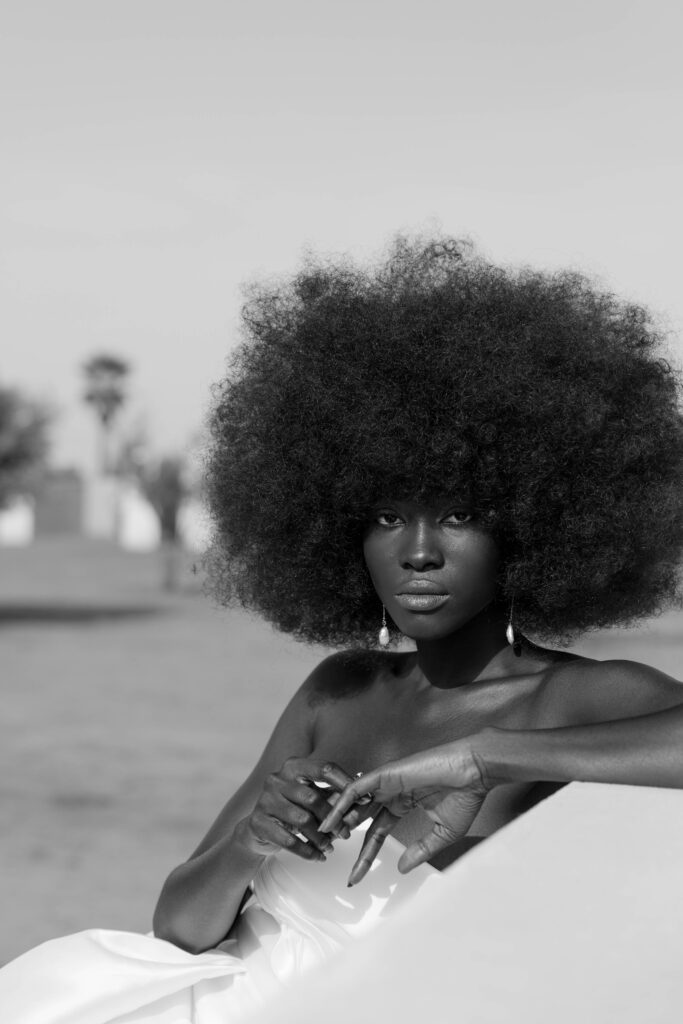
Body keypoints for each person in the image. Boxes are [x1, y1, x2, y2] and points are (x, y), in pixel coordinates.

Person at [2, 236, 683, 1022]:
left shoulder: (575, 696)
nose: (419, 551)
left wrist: (482, 762)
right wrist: (252, 841)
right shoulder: (339, 690)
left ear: (530, 529)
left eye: (459, 516)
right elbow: (179, 926)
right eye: (387, 516)